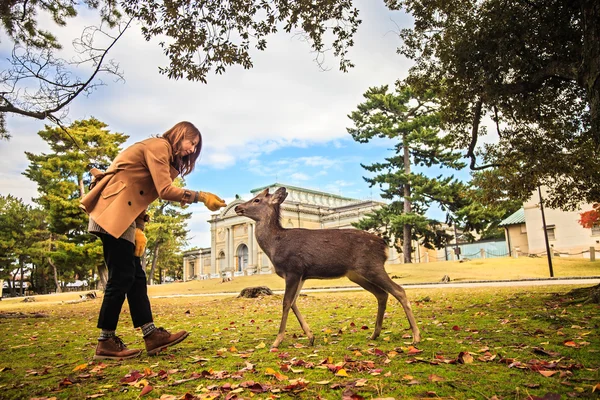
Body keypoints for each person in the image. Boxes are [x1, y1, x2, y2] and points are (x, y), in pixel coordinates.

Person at [80, 121, 227, 360]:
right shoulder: (159, 146)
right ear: (179, 135)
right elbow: (164, 190)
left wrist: (139, 228)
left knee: (135, 277)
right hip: (111, 213)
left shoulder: (162, 154)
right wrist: (201, 197)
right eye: (191, 142)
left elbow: (138, 193)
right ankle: (105, 341)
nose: (191, 149)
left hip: (122, 216)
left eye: (196, 147)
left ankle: (151, 336)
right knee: (122, 277)